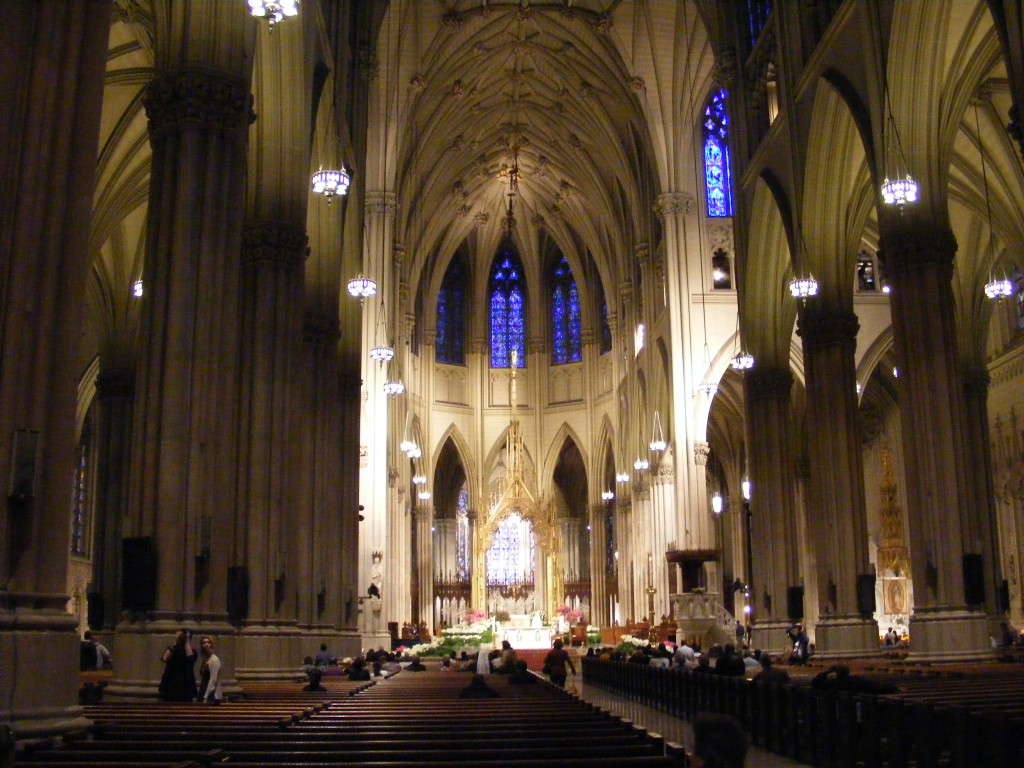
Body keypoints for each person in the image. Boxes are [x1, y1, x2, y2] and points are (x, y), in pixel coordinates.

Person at [159, 628, 198, 702]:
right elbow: (164, 658)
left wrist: (187, 640)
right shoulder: (173, 649)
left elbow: (190, 658)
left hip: (186, 683)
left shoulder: (192, 650)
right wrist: (176, 642)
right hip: (171, 682)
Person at [197, 636, 223, 704]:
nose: (206, 644)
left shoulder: (214, 659)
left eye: (208, 642)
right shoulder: (205, 660)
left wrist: (206, 696)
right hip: (203, 689)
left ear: (211, 645)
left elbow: (213, 679)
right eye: (204, 643)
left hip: (211, 693)